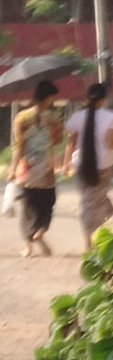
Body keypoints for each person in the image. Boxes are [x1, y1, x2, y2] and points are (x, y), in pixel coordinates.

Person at [10, 80, 65, 257]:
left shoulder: (21, 118)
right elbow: (58, 141)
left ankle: (28, 247)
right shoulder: (54, 119)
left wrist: (12, 170)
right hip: (46, 170)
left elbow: (18, 146)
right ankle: (40, 232)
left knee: (27, 208)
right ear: (48, 98)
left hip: (26, 169)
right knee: (47, 203)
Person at [64, 81, 113, 248]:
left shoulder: (76, 117)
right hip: (104, 165)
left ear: (88, 97)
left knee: (90, 200)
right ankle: (92, 241)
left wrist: (66, 163)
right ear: (103, 99)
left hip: (81, 165)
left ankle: (94, 238)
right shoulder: (111, 116)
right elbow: (111, 144)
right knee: (94, 201)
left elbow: (71, 142)